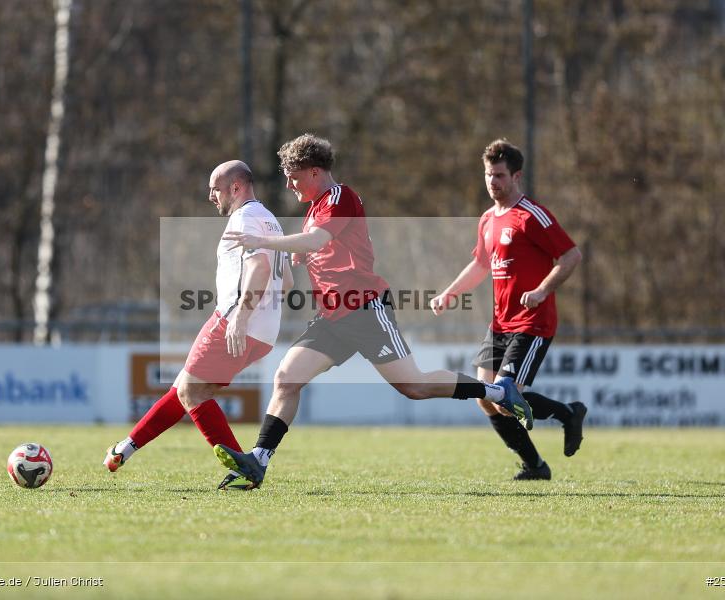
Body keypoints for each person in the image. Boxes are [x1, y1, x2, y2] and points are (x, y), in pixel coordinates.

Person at [213, 133, 532, 489]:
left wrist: (264, 241)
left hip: (365, 310)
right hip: (332, 317)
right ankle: (258, 460)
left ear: (315, 172)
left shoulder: (340, 197)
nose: (288, 184)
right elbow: (319, 245)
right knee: (287, 378)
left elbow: (319, 240)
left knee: (414, 386)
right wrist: (299, 256)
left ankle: (500, 392)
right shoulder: (316, 208)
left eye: (294, 176)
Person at [102, 160, 293, 490]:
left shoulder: (244, 218)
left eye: (215, 188)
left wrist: (241, 317)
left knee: (191, 392)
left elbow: (260, 268)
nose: (210, 196)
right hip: (264, 331)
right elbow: (286, 280)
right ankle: (125, 449)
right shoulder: (270, 220)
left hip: (234, 319)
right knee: (185, 389)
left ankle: (247, 470)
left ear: (235, 187)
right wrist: (259, 315)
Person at [430, 139, 586, 480]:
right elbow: (480, 265)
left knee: (502, 396)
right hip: (500, 323)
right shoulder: (487, 219)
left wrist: (543, 289)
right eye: (488, 174)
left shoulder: (532, 215)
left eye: (499, 175)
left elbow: (571, 255)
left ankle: (568, 413)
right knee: (485, 398)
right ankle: (536, 466)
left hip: (532, 321)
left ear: (517, 176)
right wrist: (449, 294)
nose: (492, 182)